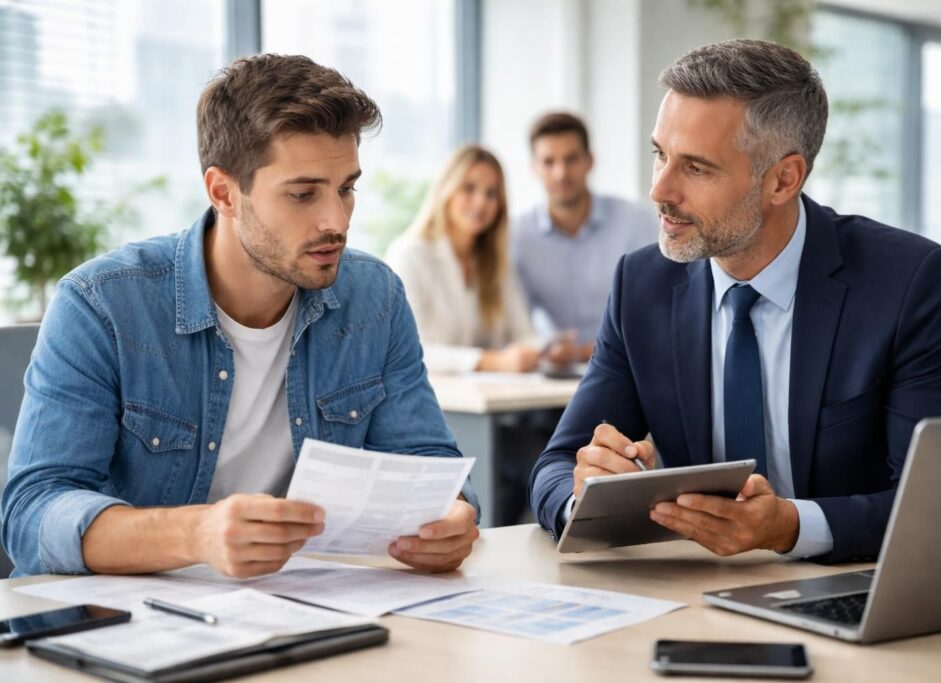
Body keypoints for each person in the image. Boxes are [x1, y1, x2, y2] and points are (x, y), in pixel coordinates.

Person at [1, 54, 479, 578]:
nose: (336, 221)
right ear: (223, 192)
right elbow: (31, 513)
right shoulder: (102, 304)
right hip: (136, 620)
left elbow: (431, 469)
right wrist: (197, 534)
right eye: (303, 194)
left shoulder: (375, 297)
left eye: (346, 188)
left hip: (308, 608)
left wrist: (452, 517)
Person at [529, 39, 941, 564]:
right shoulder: (642, 283)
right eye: (660, 155)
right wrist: (584, 496)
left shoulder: (911, 284)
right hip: (696, 594)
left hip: (854, 588)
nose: (660, 189)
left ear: (783, 179)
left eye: (696, 168)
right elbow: (557, 466)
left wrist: (790, 526)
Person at [386, 145, 549, 375]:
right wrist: (492, 361)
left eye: (491, 193)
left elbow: (523, 333)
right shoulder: (410, 256)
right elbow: (408, 350)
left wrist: (541, 351)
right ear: (446, 190)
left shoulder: (496, 262)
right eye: (469, 188)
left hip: (489, 400)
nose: (480, 202)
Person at [512, 112, 656, 362]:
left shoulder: (636, 223)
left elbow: (656, 313)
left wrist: (582, 352)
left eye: (571, 159)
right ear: (534, 168)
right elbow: (515, 322)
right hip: (551, 372)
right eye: (548, 162)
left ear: (590, 160)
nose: (561, 173)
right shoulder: (517, 235)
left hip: (628, 364)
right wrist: (544, 349)